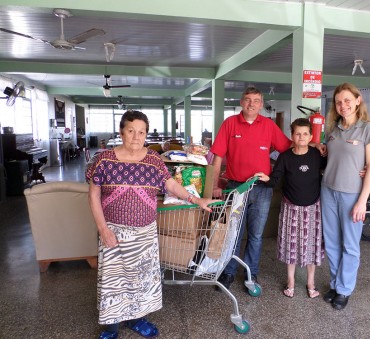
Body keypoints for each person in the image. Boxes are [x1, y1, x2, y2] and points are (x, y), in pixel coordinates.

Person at [86, 110, 217, 339]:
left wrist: (196, 199)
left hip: (145, 233)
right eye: (131, 131)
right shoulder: (104, 159)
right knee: (113, 282)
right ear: (121, 132)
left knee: (141, 278)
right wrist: (103, 229)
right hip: (114, 231)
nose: (136, 137)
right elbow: (93, 196)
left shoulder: (153, 160)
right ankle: (111, 327)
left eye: (141, 132)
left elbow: (171, 185)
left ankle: (136, 319)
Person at [210, 86, 292, 290]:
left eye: (256, 100)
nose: (251, 104)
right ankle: (228, 272)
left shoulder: (268, 125)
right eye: (248, 99)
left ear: (261, 104)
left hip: (262, 189)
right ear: (241, 102)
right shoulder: (230, 123)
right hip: (235, 188)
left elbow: (287, 149)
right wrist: (214, 185)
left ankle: (250, 273)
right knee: (234, 234)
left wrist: (313, 145)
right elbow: (217, 156)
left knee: (255, 235)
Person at [321, 83, 370, 310]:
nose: (342, 105)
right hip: (327, 191)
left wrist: (362, 201)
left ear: (357, 101)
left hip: (352, 195)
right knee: (333, 243)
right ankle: (335, 284)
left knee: (350, 245)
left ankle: (345, 290)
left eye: (347, 100)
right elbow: (332, 157)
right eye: (338, 101)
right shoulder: (333, 130)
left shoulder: (368, 129)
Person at [254, 118, 326, 298]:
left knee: (312, 246)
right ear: (292, 136)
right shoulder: (285, 157)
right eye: (297, 133)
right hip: (290, 207)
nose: (301, 137)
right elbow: (276, 179)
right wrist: (266, 179)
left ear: (311, 136)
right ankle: (291, 280)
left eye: (305, 134)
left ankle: (311, 282)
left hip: (313, 207)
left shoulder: (317, 155)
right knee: (290, 245)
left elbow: (330, 171)